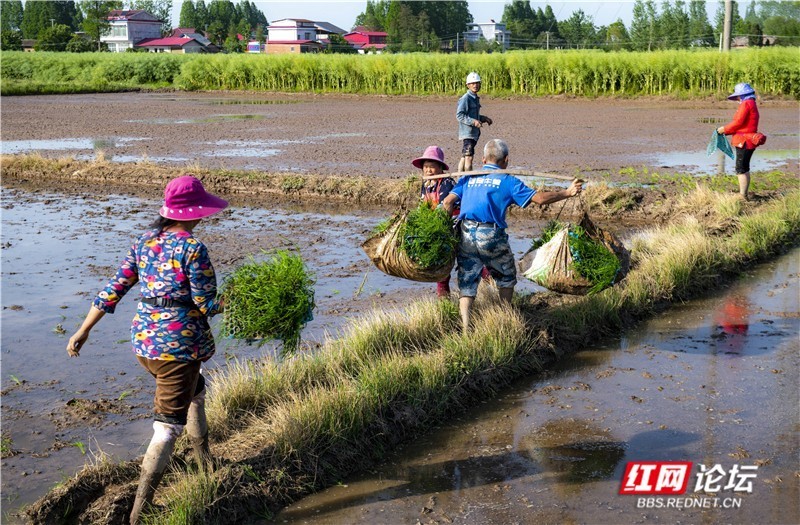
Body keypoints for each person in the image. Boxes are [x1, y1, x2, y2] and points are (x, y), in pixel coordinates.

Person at [66, 175, 228, 524]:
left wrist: (83, 330)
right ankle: (140, 511)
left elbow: (115, 287)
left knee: (197, 392)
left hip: (144, 344)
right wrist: (234, 301)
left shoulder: (145, 242)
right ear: (194, 212)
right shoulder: (193, 249)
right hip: (177, 350)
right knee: (168, 427)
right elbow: (205, 304)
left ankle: (205, 461)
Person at [441, 139, 582, 333]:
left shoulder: (468, 178)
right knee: (506, 276)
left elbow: (447, 203)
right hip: (490, 234)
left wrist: (446, 232)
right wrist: (567, 192)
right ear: (506, 160)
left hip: (466, 233)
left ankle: (466, 329)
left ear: (483, 159)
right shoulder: (507, 181)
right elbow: (540, 199)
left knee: (467, 281)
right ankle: (503, 317)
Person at [414, 145, 458, 298]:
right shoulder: (426, 184)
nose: (428, 171)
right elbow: (422, 205)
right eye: (426, 167)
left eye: (432, 167)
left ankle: (489, 285)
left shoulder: (447, 183)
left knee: (466, 259)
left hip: (453, 225)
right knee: (441, 264)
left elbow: (444, 206)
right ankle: (443, 297)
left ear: (440, 168)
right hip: (436, 225)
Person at [717, 82, 761, 200]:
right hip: (749, 140)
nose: (737, 99)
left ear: (742, 95)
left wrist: (724, 129)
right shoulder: (752, 103)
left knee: (740, 168)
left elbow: (738, 123)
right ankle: (744, 194)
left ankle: (742, 195)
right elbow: (744, 125)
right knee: (744, 167)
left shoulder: (746, 104)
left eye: (738, 96)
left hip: (744, 141)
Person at [456, 71, 492, 173]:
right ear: (468, 85)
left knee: (464, 156)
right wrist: (473, 122)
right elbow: (459, 115)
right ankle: (468, 178)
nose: (475, 85)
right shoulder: (465, 98)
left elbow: (473, 116)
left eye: (477, 83)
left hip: (474, 133)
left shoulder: (475, 98)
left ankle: (459, 178)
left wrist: (484, 118)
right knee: (469, 158)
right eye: (472, 83)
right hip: (468, 133)